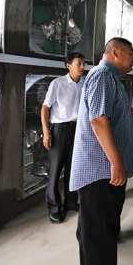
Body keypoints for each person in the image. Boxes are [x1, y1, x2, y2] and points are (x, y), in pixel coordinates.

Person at [69, 37, 133, 265]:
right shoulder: (103, 75)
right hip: (101, 172)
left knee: (95, 233)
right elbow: (98, 120)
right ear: (115, 52)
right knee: (99, 236)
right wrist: (116, 162)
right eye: (131, 53)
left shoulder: (110, 77)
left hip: (103, 171)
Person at [41, 51, 85, 224]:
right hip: (60, 130)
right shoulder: (57, 83)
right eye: (78, 63)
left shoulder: (85, 84)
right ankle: (54, 208)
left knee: (74, 168)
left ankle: (71, 201)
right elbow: (45, 107)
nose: (82, 66)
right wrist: (46, 132)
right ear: (68, 66)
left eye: (83, 63)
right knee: (55, 170)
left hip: (79, 129)